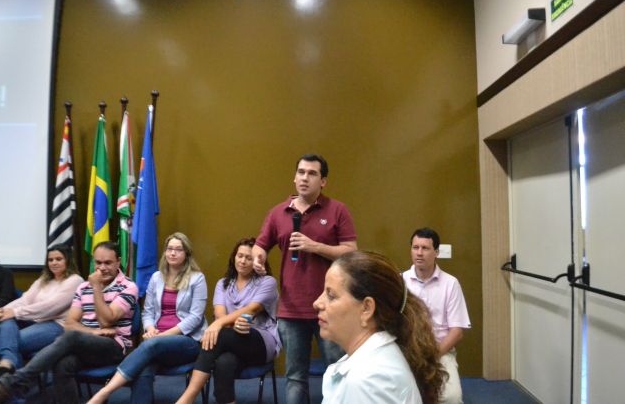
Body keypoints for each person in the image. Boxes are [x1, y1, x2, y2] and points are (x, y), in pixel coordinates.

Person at [252, 154, 357, 404]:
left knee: (337, 372)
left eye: (312, 173)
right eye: (301, 172)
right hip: (291, 309)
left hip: (331, 307)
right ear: (294, 177)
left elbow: (351, 252)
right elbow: (260, 245)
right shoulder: (278, 213)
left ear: (323, 181)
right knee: (295, 377)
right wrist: (258, 258)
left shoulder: (337, 210)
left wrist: (315, 246)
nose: (304, 178)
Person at [0, 241, 138, 404]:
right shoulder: (83, 287)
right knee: (62, 364)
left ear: (118, 262)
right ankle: (15, 384)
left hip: (113, 346)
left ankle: (13, 383)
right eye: (98, 263)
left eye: (107, 263)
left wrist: (96, 288)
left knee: (71, 337)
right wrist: (93, 332)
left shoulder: (128, 287)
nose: (102, 268)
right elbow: (70, 324)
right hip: (83, 344)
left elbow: (106, 320)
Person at [88, 232, 208, 404]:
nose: (173, 253)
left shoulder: (197, 279)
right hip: (156, 342)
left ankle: (104, 392)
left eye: (178, 249)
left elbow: (195, 318)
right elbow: (148, 312)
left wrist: (161, 337)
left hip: (187, 342)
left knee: (151, 346)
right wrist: (150, 329)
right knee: (144, 368)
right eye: (169, 249)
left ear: (186, 253)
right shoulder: (156, 277)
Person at [313, 250, 445, 404]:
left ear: (366, 309)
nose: (317, 303)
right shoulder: (375, 364)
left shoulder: (367, 381)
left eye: (331, 295)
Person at [177, 237, 280, 404]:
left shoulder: (267, 282)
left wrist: (219, 324)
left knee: (220, 334)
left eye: (249, 258)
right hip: (229, 340)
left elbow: (251, 309)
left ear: (257, 261)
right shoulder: (223, 284)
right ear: (234, 257)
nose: (243, 261)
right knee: (224, 362)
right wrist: (224, 323)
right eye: (240, 256)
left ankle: (187, 398)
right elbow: (220, 315)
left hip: (260, 342)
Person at [0, 244, 83, 376]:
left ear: (68, 260)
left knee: (11, 343)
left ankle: (9, 371)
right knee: (6, 321)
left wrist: (15, 312)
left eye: (58, 259)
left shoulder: (75, 281)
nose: (54, 263)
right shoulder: (44, 279)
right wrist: (3, 310)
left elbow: (50, 307)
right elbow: (25, 300)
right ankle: (8, 362)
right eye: (50, 260)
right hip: (35, 321)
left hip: (57, 325)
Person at [403, 228, 471, 404]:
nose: (419, 253)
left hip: (441, 351)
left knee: (451, 398)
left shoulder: (450, 284)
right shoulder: (400, 281)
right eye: (415, 247)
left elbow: (457, 332)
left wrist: (432, 357)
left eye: (425, 248)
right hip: (408, 352)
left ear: (436, 252)